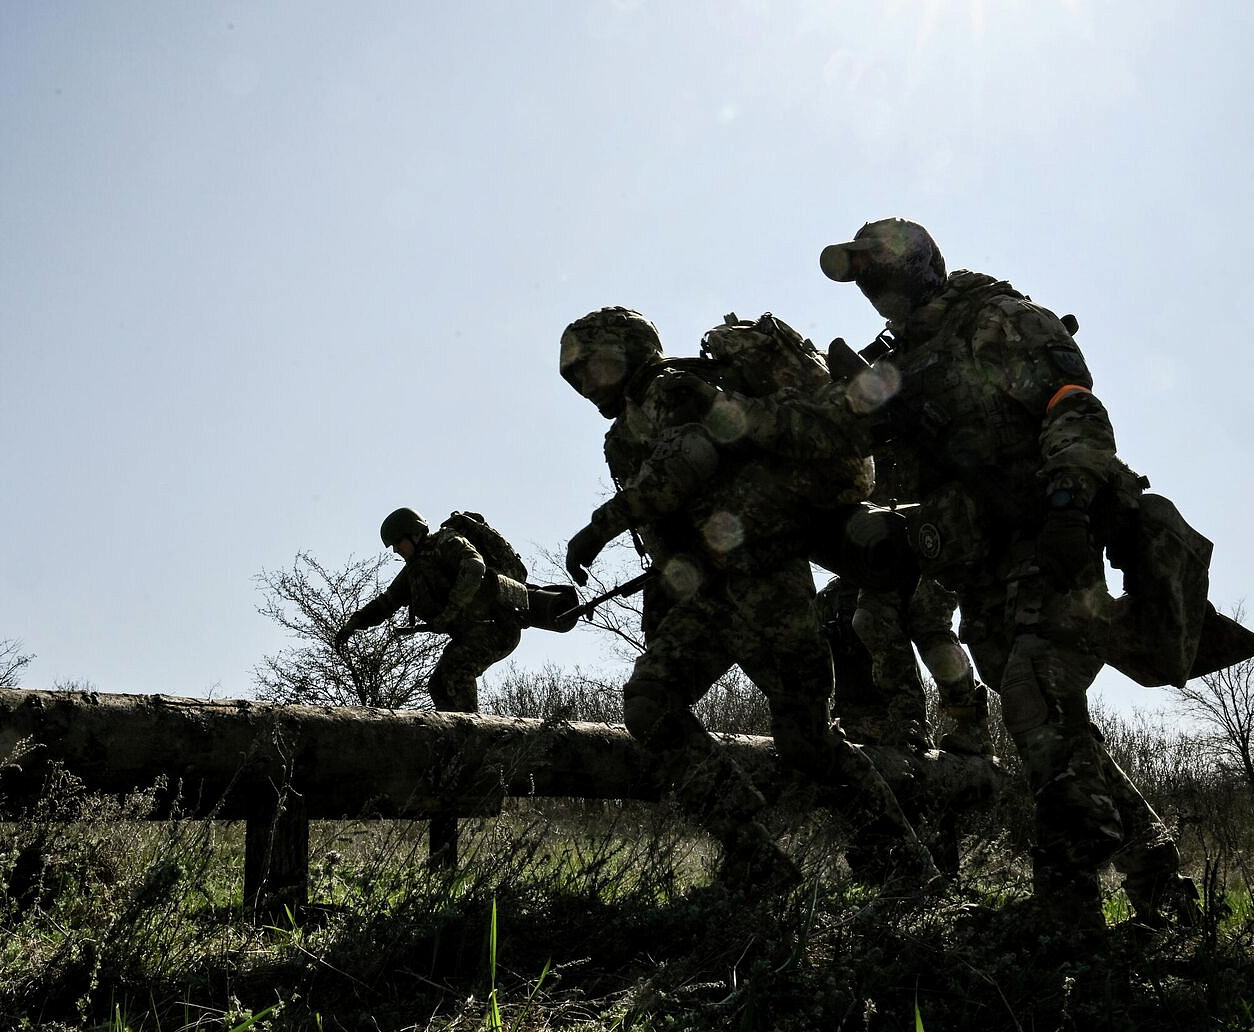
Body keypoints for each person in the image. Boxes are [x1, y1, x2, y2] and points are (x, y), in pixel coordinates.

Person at [797, 217, 1199, 931]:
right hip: (977, 568)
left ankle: (1069, 916)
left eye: (883, 272)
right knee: (1046, 719)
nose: (874, 291)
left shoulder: (997, 320)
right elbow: (878, 467)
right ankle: (1161, 881)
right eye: (865, 282)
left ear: (921, 266)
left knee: (1036, 698)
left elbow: (1071, 404)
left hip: (1048, 543)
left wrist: (1071, 501)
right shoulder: (896, 361)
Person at [558, 306, 937, 893]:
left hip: (767, 585)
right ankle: (753, 854)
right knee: (651, 704)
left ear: (625, 351)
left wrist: (602, 524)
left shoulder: (675, 389)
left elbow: (682, 466)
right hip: (711, 596)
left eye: (590, 367)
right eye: (575, 376)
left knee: (806, 740)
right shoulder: (624, 429)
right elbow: (672, 527)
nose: (584, 385)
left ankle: (907, 866)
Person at [333, 508, 525, 714]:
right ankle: (454, 737)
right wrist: (354, 623)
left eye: (398, 542)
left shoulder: (447, 542)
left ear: (414, 533)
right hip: (470, 634)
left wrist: (450, 612)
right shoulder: (414, 570)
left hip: (498, 628)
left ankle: (471, 731)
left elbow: (475, 567)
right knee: (438, 685)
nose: (396, 550)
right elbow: (386, 603)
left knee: (456, 669)